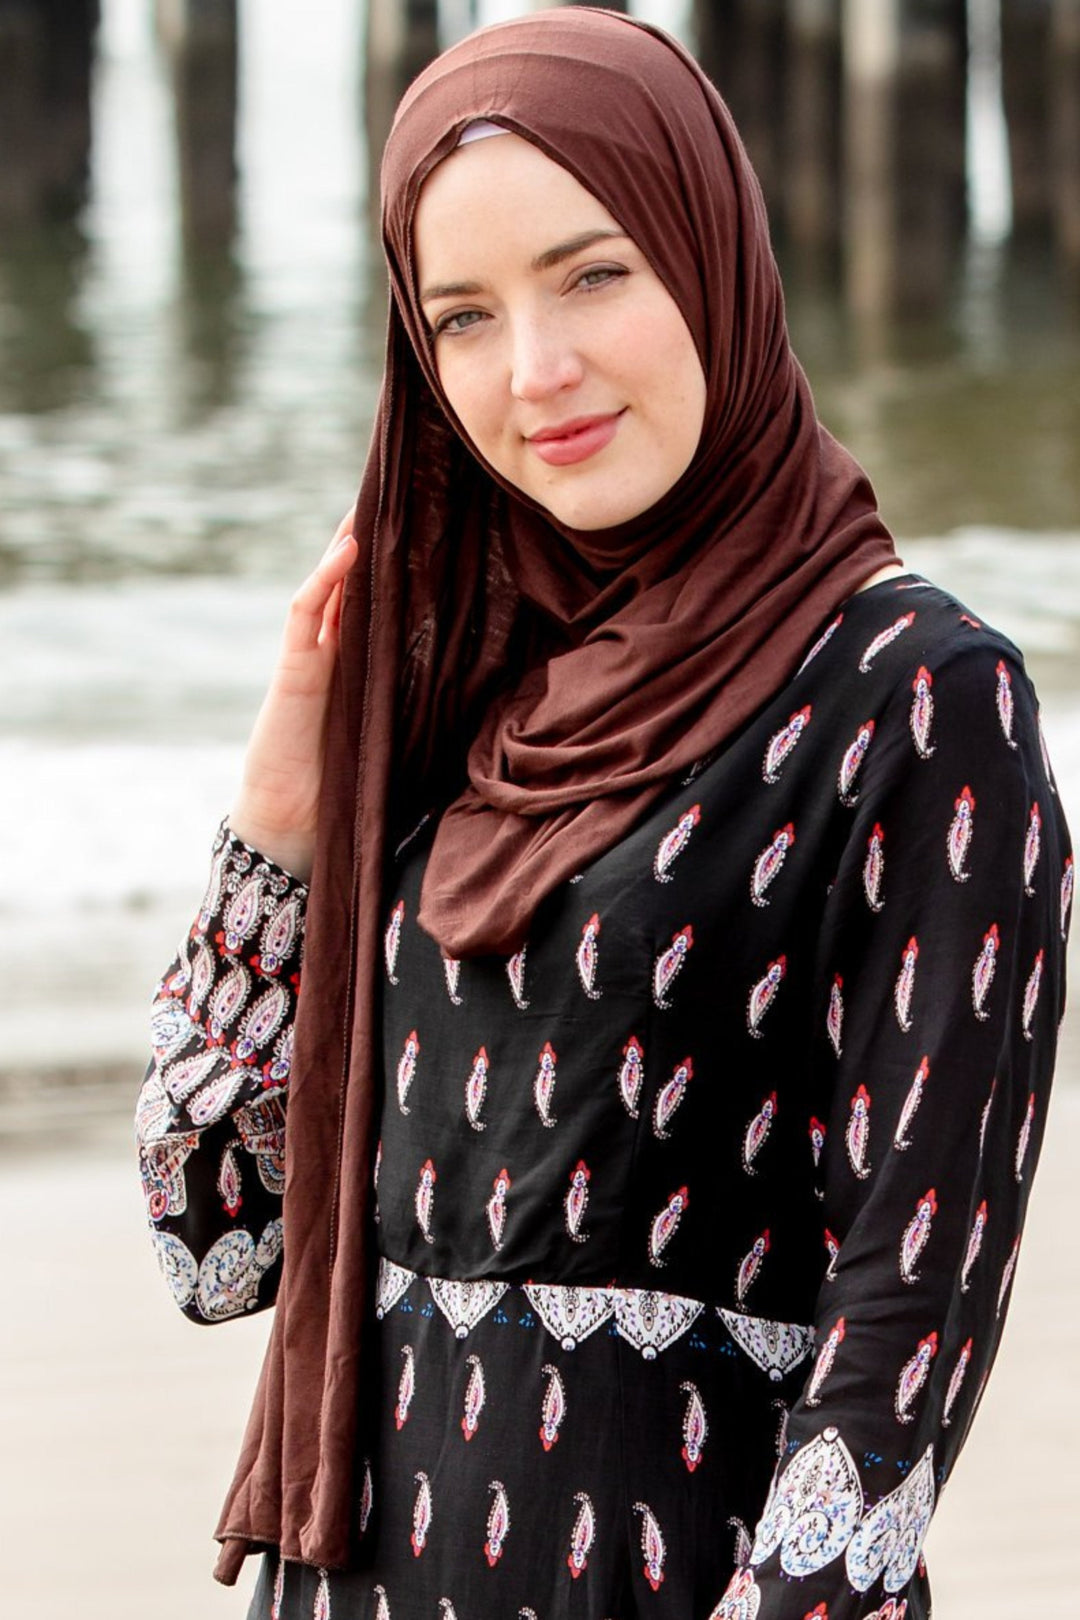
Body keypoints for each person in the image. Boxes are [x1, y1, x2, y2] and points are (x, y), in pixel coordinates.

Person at [136, 10, 1071, 1620]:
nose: (536, 372)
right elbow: (214, 1231)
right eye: (465, 319)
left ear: (710, 256)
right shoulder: (458, 682)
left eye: (595, 275)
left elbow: (900, 1349)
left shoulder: (919, 701)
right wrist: (284, 809)